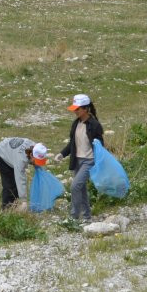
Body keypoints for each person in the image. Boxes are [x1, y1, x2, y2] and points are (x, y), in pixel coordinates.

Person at [55, 94, 102, 222]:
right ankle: (86, 216)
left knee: (75, 186)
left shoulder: (95, 125)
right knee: (81, 189)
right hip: (77, 160)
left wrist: (100, 163)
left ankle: (74, 217)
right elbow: (72, 143)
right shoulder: (76, 123)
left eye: (77, 109)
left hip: (89, 161)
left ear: (85, 109)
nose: (75, 111)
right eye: (74, 109)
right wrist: (62, 154)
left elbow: (100, 145)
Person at [0, 137, 41, 210]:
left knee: (15, 186)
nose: (37, 163)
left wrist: (37, 167)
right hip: (0, 154)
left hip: (10, 151)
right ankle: (6, 210)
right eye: (37, 161)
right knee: (9, 185)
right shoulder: (20, 160)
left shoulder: (36, 147)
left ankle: (14, 205)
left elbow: (36, 159)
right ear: (31, 155)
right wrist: (24, 200)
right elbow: (20, 179)